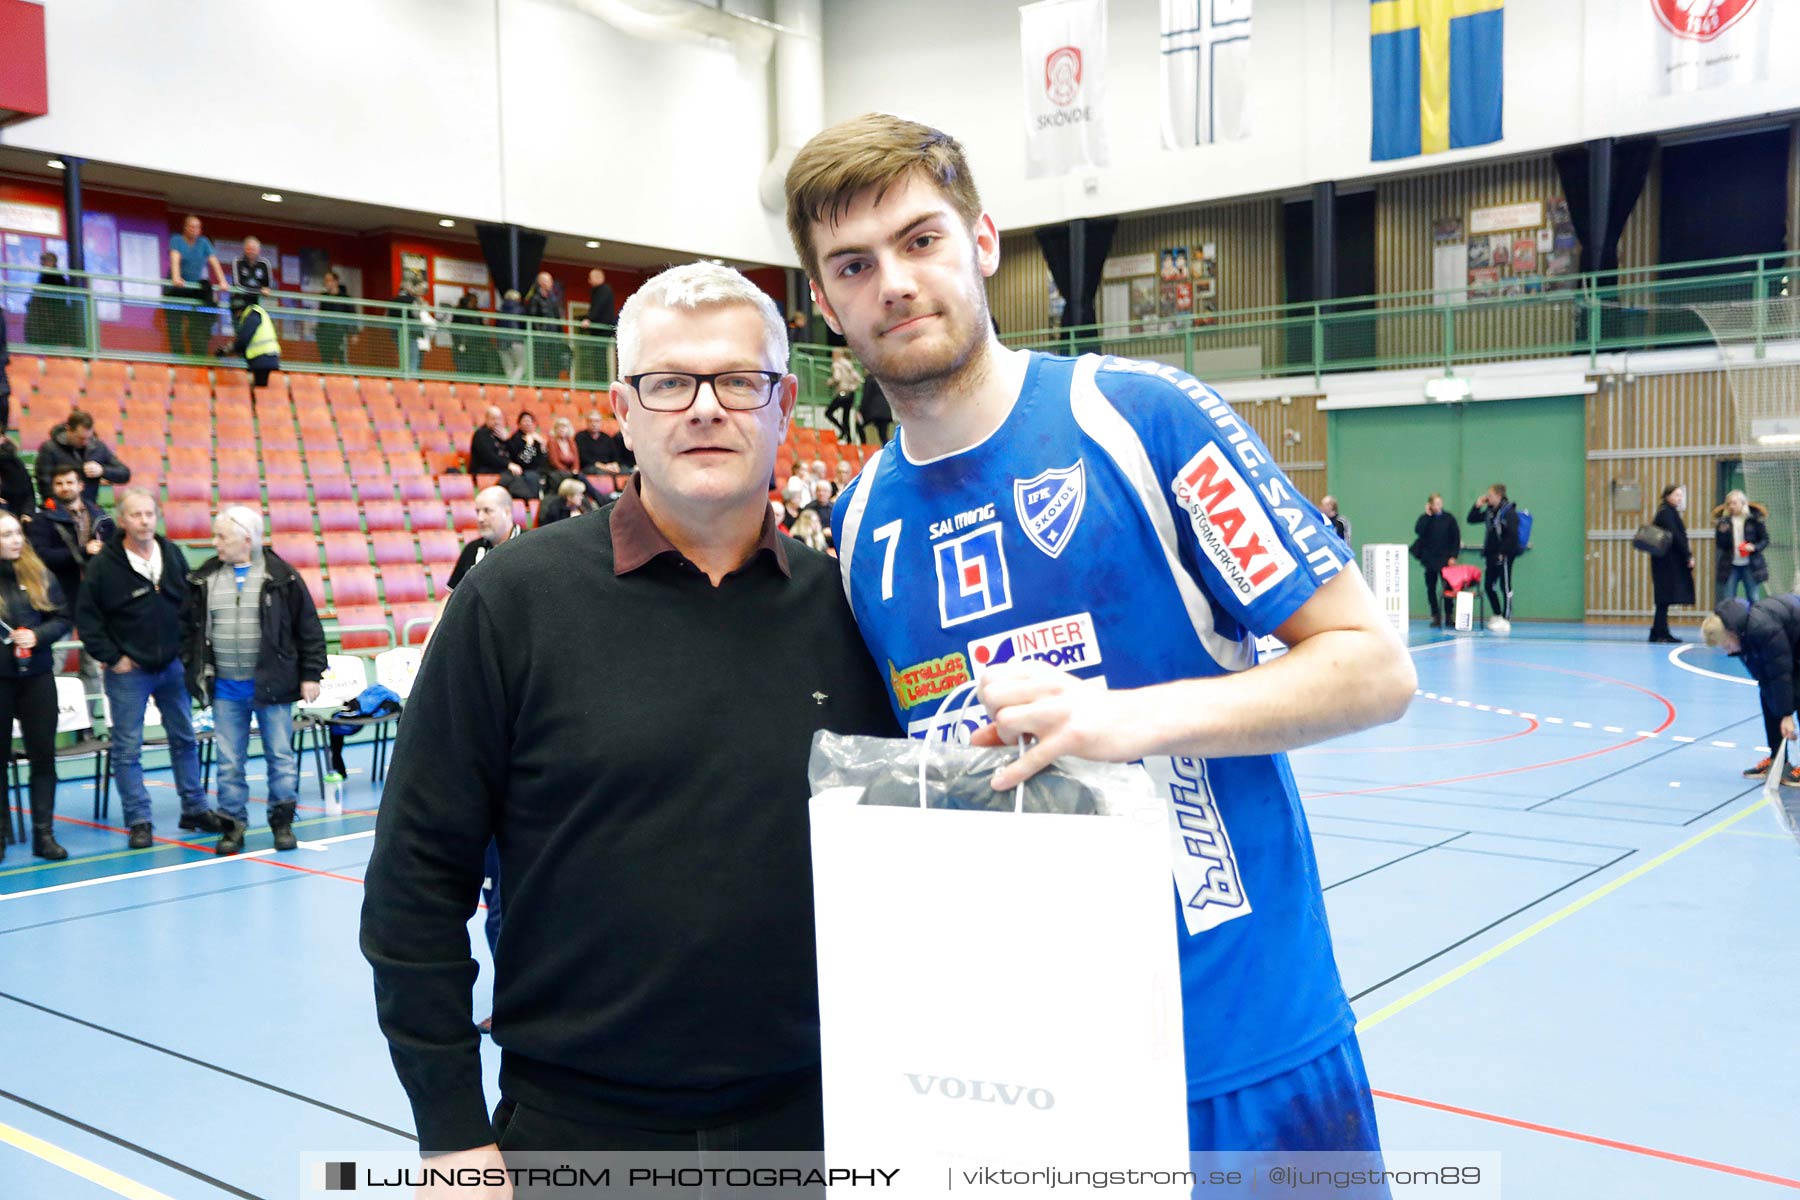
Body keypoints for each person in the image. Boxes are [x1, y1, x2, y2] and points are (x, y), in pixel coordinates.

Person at [785, 112, 1415, 1161]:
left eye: (921, 240)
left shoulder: (1138, 418)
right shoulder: (858, 528)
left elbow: (1372, 665)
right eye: (853, 263)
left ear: (982, 241)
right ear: (824, 300)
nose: (892, 282)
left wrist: (1119, 719)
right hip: (1028, 1082)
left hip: (1241, 1049)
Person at [360, 262, 897, 1176]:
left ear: (784, 403)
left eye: (738, 380)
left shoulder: (851, 609)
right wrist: (449, 1129)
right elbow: (415, 882)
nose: (704, 408)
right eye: (669, 382)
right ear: (623, 407)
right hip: (575, 1130)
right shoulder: (511, 602)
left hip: (814, 1122)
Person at [179, 506, 326, 856]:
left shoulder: (282, 576)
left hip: (274, 685)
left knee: (280, 756)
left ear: (246, 540)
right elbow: (188, 630)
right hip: (227, 687)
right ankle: (232, 826)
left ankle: (282, 824)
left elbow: (308, 628)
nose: (215, 543)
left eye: (222, 537)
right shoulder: (205, 578)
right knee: (229, 761)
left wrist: (310, 674)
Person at [76, 488, 216, 848]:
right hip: (129, 672)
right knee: (127, 748)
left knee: (184, 739)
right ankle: (139, 819)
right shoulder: (103, 566)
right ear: (122, 520)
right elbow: (88, 620)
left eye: (149, 514)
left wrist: (185, 652)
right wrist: (112, 657)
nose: (144, 521)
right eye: (136, 515)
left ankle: (195, 808)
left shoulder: (171, 553)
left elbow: (189, 606)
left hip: (171, 666)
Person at [0, 512, 71, 862]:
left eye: (17, 533)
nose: (15, 540)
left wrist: (37, 636)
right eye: (6, 535)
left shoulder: (39, 571)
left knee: (43, 758)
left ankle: (44, 835)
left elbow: (62, 619)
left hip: (38, 677)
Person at [30, 463, 115, 692]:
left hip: (95, 598)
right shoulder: (43, 520)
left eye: (69, 482)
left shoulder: (102, 517)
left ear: (80, 485)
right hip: (59, 599)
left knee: (93, 665)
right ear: (53, 488)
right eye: (59, 483)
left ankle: (89, 723)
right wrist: (83, 550)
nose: (65, 488)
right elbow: (42, 557)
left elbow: (117, 553)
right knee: (55, 661)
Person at [1702, 595, 1800, 785]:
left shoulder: (1763, 629)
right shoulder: (1741, 635)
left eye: (1726, 645)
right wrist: (1779, 709)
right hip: (1792, 646)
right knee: (1768, 696)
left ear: (1731, 634)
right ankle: (1778, 760)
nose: (1728, 652)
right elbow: (1766, 679)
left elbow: (1781, 672)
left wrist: (1787, 715)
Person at [35, 409, 131, 510]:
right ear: (68, 430)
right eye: (80, 438)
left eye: (88, 438)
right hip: (58, 508)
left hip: (88, 508)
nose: (85, 442)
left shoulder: (97, 447)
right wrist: (57, 507)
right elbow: (44, 483)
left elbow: (124, 474)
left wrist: (102, 470)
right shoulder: (50, 448)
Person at [167, 215, 228, 358]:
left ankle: (198, 354)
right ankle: (178, 357)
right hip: (176, 289)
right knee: (175, 325)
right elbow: (175, 258)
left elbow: (214, 261)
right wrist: (176, 277)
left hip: (193, 288)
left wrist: (222, 281)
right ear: (186, 228)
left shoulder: (203, 242)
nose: (195, 230)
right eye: (192, 226)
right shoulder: (177, 240)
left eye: (197, 227)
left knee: (199, 319)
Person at [1466, 484, 1520, 634]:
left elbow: (1512, 536)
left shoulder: (1509, 512)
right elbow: (1471, 519)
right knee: (1489, 585)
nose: (1487, 497)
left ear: (1498, 495)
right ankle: (1497, 614)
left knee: (1505, 586)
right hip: (1491, 554)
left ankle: (1506, 618)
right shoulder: (1490, 512)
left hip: (1505, 555)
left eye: (1490, 495)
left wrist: (1503, 552)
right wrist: (1477, 505)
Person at [1648, 483, 1694, 644]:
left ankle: (1658, 631)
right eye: (1676, 495)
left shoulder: (1667, 512)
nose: (1679, 498)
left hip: (1664, 562)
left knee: (1663, 599)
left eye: (1681, 495)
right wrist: (1688, 555)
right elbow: (1676, 536)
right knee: (1664, 598)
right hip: (1666, 563)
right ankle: (1661, 632)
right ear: (1667, 496)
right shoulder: (1666, 513)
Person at [1411, 493, 1460, 630]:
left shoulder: (1449, 519)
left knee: (1448, 588)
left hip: (1445, 559)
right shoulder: (1425, 519)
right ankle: (1436, 616)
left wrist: (1453, 556)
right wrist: (1428, 515)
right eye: (1435, 504)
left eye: (1440, 504)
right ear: (1430, 505)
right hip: (1430, 559)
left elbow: (1455, 538)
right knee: (1431, 588)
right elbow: (1419, 531)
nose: (1438, 506)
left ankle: (1449, 615)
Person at [1713, 489, 1769, 605]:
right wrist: (1722, 532)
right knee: (1728, 598)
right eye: (1728, 504)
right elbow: (1720, 545)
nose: (1731, 506)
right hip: (1731, 565)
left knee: (1753, 597)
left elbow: (1765, 540)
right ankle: (1730, 622)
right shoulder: (1724, 522)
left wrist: (1754, 547)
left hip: (1751, 564)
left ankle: (1754, 622)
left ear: (1743, 503)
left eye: (1734, 503)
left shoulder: (1755, 519)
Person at [222, 293, 282, 389]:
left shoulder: (252, 315)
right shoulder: (256, 313)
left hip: (262, 358)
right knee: (261, 390)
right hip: (267, 357)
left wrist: (228, 350)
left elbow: (244, 338)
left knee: (260, 390)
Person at [24, 251, 79, 349]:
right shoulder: (47, 275)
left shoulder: (55, 276)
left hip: (52, 311)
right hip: (49, 312)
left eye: (44, 261)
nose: (42, 263)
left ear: (52, 262)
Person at [523, 271, 564, 382]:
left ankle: (553, 386)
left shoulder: (553, 300)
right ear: (540, 282)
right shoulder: (535, 298)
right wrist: (539, 332)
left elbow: (557, 318)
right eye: (548, 280)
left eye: (551, 280)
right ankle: (538, 386)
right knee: (539, 363)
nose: (551, 283)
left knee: (554, 364)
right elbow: (532, 316)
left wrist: (560, 335)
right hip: (541, 338)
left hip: (554, 338)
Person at [578, 267, 615, 384]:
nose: (589, 281)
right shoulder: (598, 291)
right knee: (597, 358)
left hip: (602, 330)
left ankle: (601, 383)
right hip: (598, 329)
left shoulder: (604, 290)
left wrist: (589, 319)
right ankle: (599, 382)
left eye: (591, 278)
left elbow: (598, 307)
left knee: (599, 358)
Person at [315, 270, 357, 367]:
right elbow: (321, 316)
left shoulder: (345, 298)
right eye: (325, 281)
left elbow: (352, 316)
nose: (327, 283)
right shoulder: (324, 297)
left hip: (340, 334)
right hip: (325, 335)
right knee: (326, 361)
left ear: (336, 282)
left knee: (342, 360)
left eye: (329, 280)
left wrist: (354, 333)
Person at [825, 348, 864, 441]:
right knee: (846, 417)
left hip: (842, 392)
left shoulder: (837, 365)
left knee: (828, 412)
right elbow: (859, 379)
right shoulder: (849, 366)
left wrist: (830, 382)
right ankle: (849, 439)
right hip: (851, 394)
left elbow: (837, 378)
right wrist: (853, 387)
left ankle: (842, 430)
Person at [507, 411, 547, 497]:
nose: (528, 423)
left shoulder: (536, 438)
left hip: (538, 470)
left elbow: (543, 460)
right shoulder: (515, 439)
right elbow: (523, 461)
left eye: (530, 421)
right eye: (525, 421)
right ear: (519, 423)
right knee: (532, 477)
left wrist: (543, 447)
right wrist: (529, 446)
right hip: (524, 471)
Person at [469, 407, 515, 478]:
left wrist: (507, 440)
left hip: (501, 469)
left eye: (499, 419)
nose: (497, 422)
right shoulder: (480, 434)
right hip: (484, 471)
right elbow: (489, 457)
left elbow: (515, 455)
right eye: (493, 419)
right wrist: (508, 464)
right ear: (486, 419)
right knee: (512, 475)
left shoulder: (501, 434)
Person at [231, 235, 274, 308]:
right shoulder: (237, 261)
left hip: (257, 301)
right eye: (249, 249)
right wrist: (259, 290)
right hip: (239, 300)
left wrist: (263, 290)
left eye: (253, 249)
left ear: (258, 250)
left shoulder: (264, 263)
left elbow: (268, 286)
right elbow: (237, 284)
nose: (251, 252)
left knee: (257, 316)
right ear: (244, 249)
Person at [544, 416, 581, 484]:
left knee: (580, 476)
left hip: (570, 471)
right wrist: (568, 472)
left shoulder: (571, 442)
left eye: (564, 427)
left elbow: (576, 460)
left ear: (568, 429)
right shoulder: (552, 442)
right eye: (559, 427)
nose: (562, 429)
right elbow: (554, 462)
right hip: (557, 471)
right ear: (555, 429)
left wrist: (575, 470)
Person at [859, 373, 892, 445]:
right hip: (885, 410)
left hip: (873, 412)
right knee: (883, 435)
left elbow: (866, 396)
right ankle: (888, 452)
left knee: (859, 425)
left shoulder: (869, 379)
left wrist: (860, 410)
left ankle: (864, 446)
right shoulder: (882, 378)